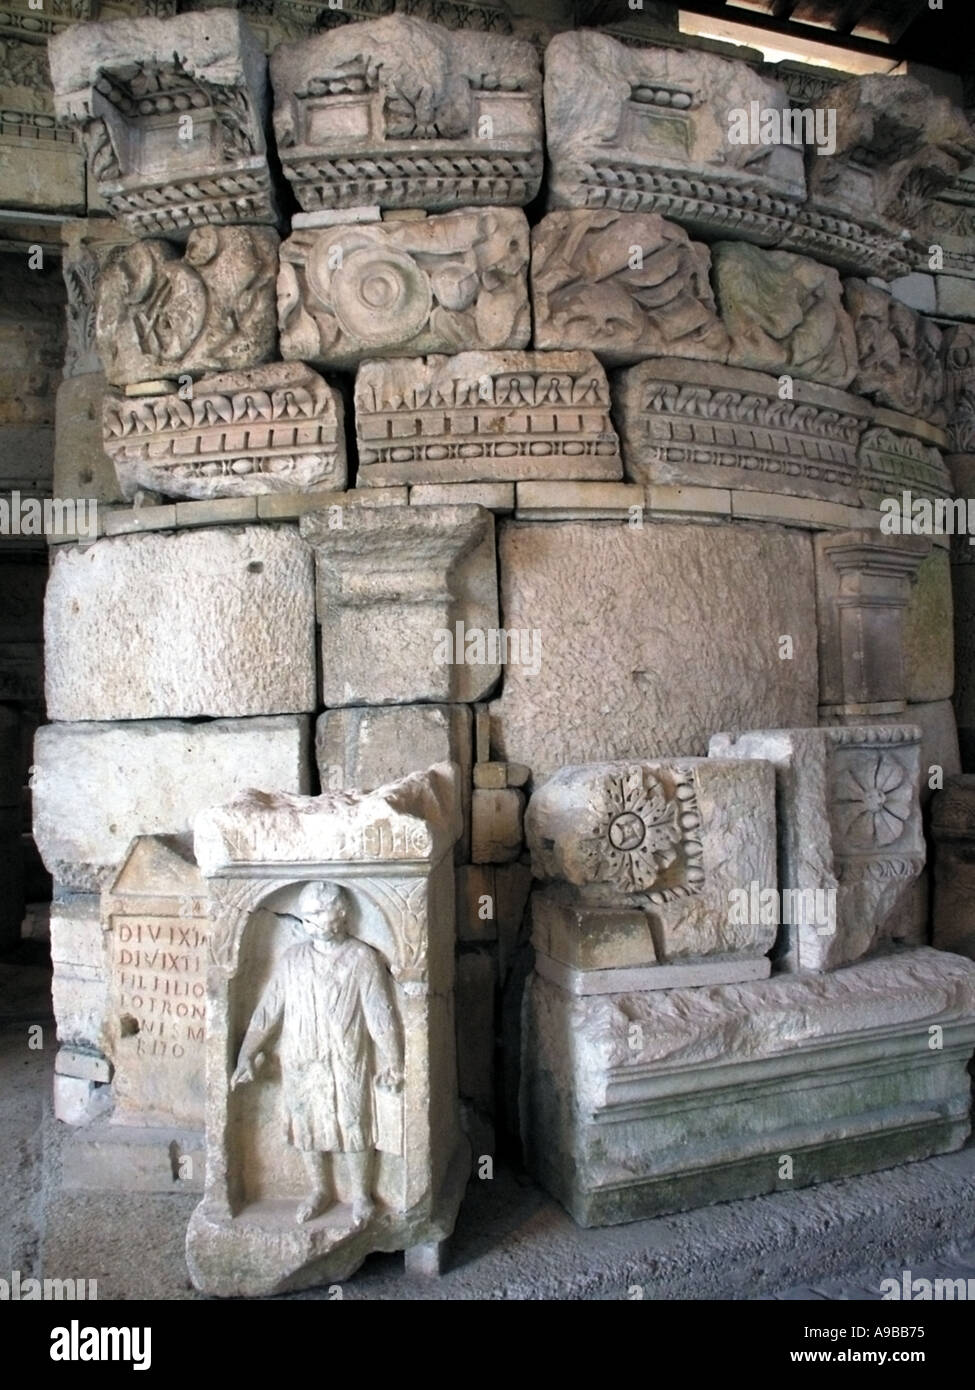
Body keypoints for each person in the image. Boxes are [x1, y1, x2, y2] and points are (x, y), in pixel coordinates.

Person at [231, 880, 403, 1226]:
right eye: (305, 916)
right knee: (307, 1123)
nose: (309, 922)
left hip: (346, 1057)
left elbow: (380, 1014)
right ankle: (319, 1190)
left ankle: (361, 1195)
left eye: (317, 914)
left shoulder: (362, 959)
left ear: (340, 914)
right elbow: (268, 1011)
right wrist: (246, 1053)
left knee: (353, 1121)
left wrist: (395, 1060)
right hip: (302, 1058)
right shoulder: (292, 959)